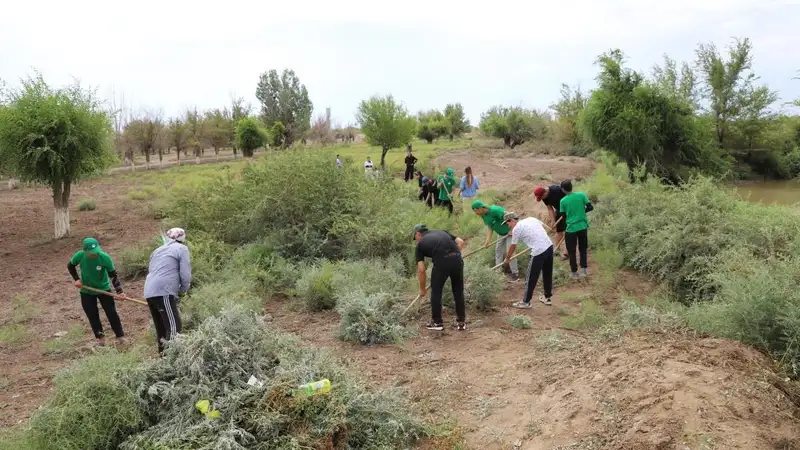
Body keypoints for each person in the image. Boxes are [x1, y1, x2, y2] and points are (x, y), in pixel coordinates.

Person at [67, 237, 126, 346]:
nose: (94, 254)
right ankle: (100, 340)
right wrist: (77, 279)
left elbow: (113, 275)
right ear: (85, 250)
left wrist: (119, 291)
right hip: (86, 290)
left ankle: (120, 336)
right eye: (91, 253)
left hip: (103, 289)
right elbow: (70, 266)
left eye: (96, 251)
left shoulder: (104, 258)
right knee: (92, 315)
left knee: (111, 313)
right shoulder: (80, 255)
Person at [143, 227, 192, 355]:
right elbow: (186, 275)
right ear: (182, 238)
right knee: (174, 328)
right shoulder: (182, 249)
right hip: (164, 291)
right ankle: (173, 361)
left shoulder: (157, 251)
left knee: (162, 329)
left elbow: (152, 270)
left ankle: (163, 361)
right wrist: (183, 290)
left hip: (149, 291)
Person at [412, 224, 467, 331]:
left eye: (416, 238)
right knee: (458, 291)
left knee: (436, 291)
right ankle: (461, 322)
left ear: (418, 234)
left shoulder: (419, 246)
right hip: (457, 260)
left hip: (442, 264)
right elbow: (461, 242)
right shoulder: (443, 231)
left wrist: (422, 289)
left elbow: (421, 270)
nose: (416, 241)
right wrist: (453, 257)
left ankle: (437, 322)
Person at [502, 212, 555, 308]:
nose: (508, 226)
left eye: (507, 223)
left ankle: (526, 302)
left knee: (530, 278)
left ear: (512, 220)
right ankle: (547, 297)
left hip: (538, 252)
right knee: (547, 273)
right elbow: (548, 229)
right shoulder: (531, 218)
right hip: (549, 247)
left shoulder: (516, 229)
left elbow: (513, 246)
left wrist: (507, 259)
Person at [471, 200, 519, 282]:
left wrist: (512, 229)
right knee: (498, 251)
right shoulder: (483, 215)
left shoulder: (495, 210)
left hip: (510, 233)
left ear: (480, 208)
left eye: (475, 211)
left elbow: (512, 217)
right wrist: (488, 240)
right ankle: (498, 272)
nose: (475, 213)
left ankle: (515, 274)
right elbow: (490, 226)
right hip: (501, 234)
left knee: (509, 252)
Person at [559, 179, 594, 279]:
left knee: (571, 251)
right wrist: (582, 212)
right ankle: (583, 271)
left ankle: (574, 273)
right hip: (582, 226)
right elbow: (590, 207)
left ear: (563, 190)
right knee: (583, 249)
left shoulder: (563, 201)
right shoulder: (581, 195)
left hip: (571, 229)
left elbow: (563, 215)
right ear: (571, 187)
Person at [533, 184, 567, 260]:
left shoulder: (557, 190)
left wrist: (567, 211)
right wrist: (553, 220)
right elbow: (550, 208)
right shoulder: (544, 197)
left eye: (541, 197)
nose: (541, 199)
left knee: (568, 231)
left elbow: (569, 197)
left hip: (569, 210)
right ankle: (557, 251)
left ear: (545, 193)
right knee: (559, 232)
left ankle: (566, 253)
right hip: (559, 211)